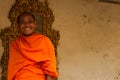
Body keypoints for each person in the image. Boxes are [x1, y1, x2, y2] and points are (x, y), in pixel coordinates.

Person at [8, 12, 58, 80]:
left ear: (35, 23)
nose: (27, 25)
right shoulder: (15, 44)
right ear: (18, 25)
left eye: (30, 21)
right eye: (23, 22)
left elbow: (50, 70)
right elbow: (13, 70)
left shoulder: (44, 41)